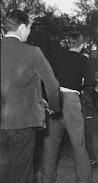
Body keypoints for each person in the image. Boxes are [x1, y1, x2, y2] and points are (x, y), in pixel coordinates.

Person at [0, 10, 60, 183]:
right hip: (23, 121)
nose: (29, 32)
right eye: (29, 28)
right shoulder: (32, 52)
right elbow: (53, 85)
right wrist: (55, 108)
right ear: (21, 27)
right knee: (21, 173)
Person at [42, 32, 95, 183]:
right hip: (71, 100)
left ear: (68, 43)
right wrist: (82, 80)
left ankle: (47, 180)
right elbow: (90, 82)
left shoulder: (56, 58)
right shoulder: (83, 60)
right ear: (82, 44)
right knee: (78, 145)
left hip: (54, 99)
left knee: (50, 146)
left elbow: (47, 80)